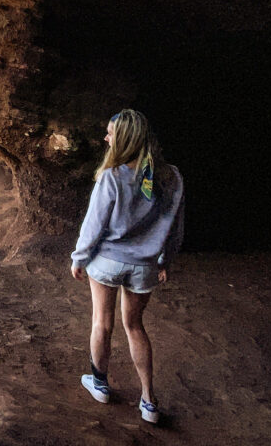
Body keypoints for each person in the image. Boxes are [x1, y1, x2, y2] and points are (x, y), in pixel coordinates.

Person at [70, 109, 185, 424]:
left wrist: (79, 258)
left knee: (101, 324)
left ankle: (101, 385)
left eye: (111, 133)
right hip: (145, 266)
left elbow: (93, 226)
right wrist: (165, 260)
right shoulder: (172, 177)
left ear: (125, 140)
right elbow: (175, 229)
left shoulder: (112, 176)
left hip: (107, 263)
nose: (106, 138)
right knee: (135, 327)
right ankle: (148, 402)